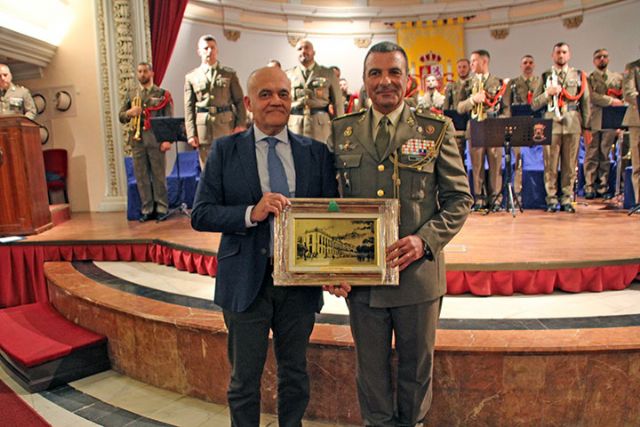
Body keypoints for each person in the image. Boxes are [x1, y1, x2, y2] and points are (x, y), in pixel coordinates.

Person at [327, 41, 472, 427]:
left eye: (394, 72)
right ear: (364, 81)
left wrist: (425, 240)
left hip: (418, 281)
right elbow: (329, 206)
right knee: (371, 378)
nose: (385, 81)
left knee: (415, 375)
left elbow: (460, 199)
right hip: (362, 283)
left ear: (408, 80)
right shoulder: (342, 132)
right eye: (375, 73)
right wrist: (330, 265)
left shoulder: (435, 129)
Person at [191, 66, 338, 426]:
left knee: (295, 375)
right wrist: (249, 213)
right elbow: (201, 214)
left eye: (283, 94)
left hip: (299, 285)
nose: (276, 101)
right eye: (266, 94)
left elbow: (332, 215)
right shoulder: (225, 151)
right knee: (244, 381)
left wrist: (335, 267)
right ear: (248, 103)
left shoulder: (316, 153)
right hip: (245, 282)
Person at [532, 42, 590, 213]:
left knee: (570, 165)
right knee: (550, 164)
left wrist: (587, 127)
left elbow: (585, 103)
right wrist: (546, 93)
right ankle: (551, 199)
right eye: (558, 52)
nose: (561, 55)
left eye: (564, 52)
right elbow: (534, 104)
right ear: (552, 55)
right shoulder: (545, 76)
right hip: (551, 125)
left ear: (569, 55)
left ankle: (566, 198)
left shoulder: (578, 75)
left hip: (572, 123)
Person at [118, 62, 173, 222]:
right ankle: (147, 209)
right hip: (138, 141)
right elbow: (121, 116)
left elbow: (168, 118)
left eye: (145, 71)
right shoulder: (132, 94)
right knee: (141, 176)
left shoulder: (162, 94)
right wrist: (129, 112)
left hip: (156, 140)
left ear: (152, 73)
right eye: (140, 71)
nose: (142, 74)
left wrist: (167, 139)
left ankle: (162, 207)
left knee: (158, 175)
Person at [184, 34, 247, 169]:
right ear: (199, 52)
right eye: (205, 48)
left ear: (217, 50)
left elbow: (239, 101)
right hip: (203, 131)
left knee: (228, 170)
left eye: (212, 47)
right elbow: (189, 107)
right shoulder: (191, 77)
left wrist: (241, 124)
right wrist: (191, 133)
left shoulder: (229, 74)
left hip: (226, 128)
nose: (209, 51)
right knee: (207, 172)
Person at [457, 50, 507, 211]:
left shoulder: (498, 82)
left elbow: (506, 109)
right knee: (476, 164)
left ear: (484, 62)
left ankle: (496, 200)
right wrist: (472, 100)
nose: (471, 65)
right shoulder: (467, 84)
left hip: (494, 126)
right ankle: (478, 199)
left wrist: (500, 122)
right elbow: (459, 107)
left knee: (495, 164)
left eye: (474, 61)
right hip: (475, 126)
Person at [585, 48, 624, 199]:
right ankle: (589, 185)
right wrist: (611, 101)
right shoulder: (589, 78)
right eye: (599, 57)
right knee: (592, 153)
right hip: (594, 118)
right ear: (594, 61)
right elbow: (591, 96)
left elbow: (623, 96)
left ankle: (603, 185)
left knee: (605, 153)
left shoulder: (617, 78)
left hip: (611, 119)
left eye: (605, 57)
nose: (602, 59)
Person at [286, 39, 344, 142]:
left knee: (320, 156)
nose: (303, 51)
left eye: (307, 48)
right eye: (299, 49)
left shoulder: (328, 73)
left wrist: (339, 129)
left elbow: (338, 103)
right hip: (295, 126)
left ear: (314, 52)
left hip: (320, 127)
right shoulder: (288, 75)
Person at [503, 54, 542, 203]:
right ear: (521, 66)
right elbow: (506, 105)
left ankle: (535, 192)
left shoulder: (539, 82)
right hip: (518, 125)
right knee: (517, 160)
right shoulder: (513, 83)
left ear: (534, 65)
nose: (528, 65)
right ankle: (517, 191)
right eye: (525, 62)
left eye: (531, 62)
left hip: (537, 126)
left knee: (538, 160)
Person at [443, 58, 472, 162]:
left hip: (471, 121)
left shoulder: (475, 84)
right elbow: (446, 107)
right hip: (457, 123)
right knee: (458, 155)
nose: (462, 69)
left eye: (464, 67)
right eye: (459, 67)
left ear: (469, 68)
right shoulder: (452, 86)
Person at [622, 56, 640, 212]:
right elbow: (628, 93)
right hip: (637, 120)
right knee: (638, 163)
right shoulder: (632, 67)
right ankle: (639, 200)